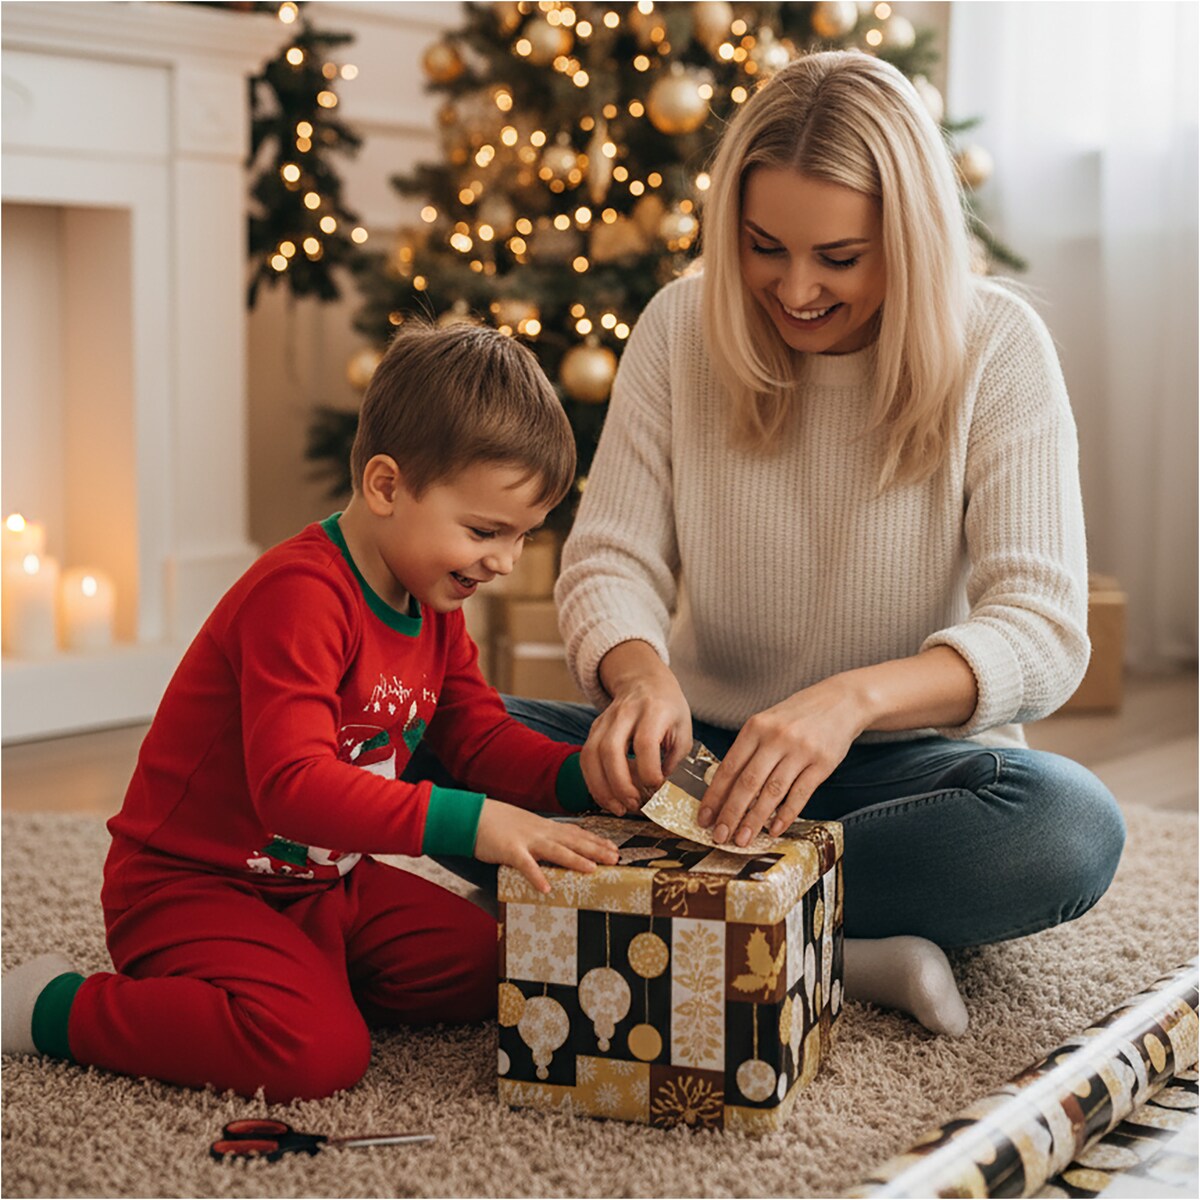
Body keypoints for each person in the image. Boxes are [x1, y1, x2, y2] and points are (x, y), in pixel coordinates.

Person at [516, 50, 1126, 1036]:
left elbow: (1045, 631)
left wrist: (849, 703)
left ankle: (680, 910)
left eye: (839, 258)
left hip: (908, 767)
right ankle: (837, 943)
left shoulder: (1001, 348)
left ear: (911, 240)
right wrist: (640, 682)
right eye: (763, 247)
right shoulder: (680, 328)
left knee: (1067, 832)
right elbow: (610, 559)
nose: (794, 290)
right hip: (701, 761)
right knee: (435, 744)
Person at [0, 323, 619, 1100]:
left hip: (323, 889)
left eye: (524, 536)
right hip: (192, 886)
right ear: (387, 487)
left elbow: (480, 738)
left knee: (509, 960)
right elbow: (292, 786)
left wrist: (584, 776)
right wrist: (478, 824)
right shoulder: (300, 596)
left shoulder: (434, 602)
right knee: (316, 1057)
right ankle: (53, 1006)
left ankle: (294, 979)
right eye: (484, 531)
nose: (504, 561)